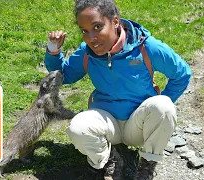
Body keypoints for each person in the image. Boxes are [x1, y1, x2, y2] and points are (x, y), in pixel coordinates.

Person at [44, 0, 192, 179]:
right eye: (84, 31)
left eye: (97, 27)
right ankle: (109, 161)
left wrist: (161, 113)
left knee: (163, 105)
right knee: (78, 127)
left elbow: (182, 74)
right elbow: (64, 76)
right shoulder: (86, 52)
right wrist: (53, 51)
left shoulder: (146, 46)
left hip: (138, 125)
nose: (91, 37)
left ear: (115, 22)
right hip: (107, 125)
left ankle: (146, 167)